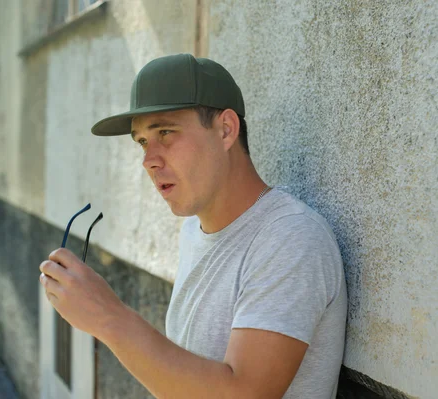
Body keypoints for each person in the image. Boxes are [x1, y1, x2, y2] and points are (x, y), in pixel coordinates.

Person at [39, 53, 347, 398]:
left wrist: (108, 318)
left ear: (226, 129)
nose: (148, 160)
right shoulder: (194, 229)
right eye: (142, 141)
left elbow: (244, 394)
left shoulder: (290, 238)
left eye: (165, 133)